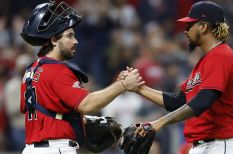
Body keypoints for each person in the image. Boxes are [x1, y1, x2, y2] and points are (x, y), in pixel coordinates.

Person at [122, 1, 233, 154]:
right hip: (206, 145)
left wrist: (158, 123)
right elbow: (179, 101)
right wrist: (139, 88)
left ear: (203, 27)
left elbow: (203, 101)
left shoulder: (221, 55)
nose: (186, 30)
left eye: (190, 25)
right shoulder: (205, 61)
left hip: (223, 144)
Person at [19, 2, 144, 154]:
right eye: (69, 36)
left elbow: (48, 113)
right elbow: (87, 105)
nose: (75, 41)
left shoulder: (31, 70)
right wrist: (123, 85)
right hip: (55, 148)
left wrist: (82, 121)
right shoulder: (57, 70)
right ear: (53, 40)